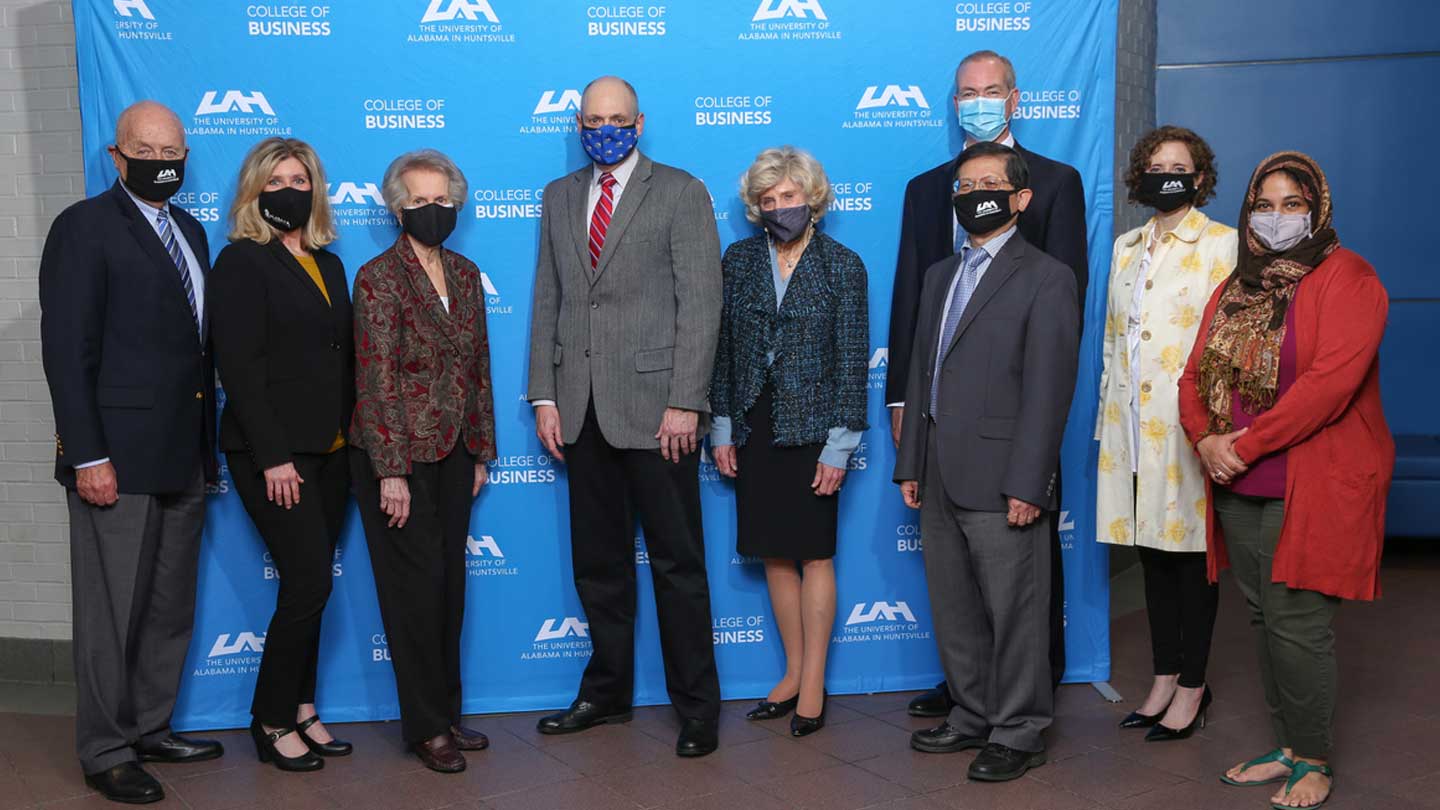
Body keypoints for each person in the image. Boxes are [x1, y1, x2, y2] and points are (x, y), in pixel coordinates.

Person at [1178, 152, 1392, 810]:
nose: (1276, 218)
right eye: (1264, 205)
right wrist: (1205, 439)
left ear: (1317, 209)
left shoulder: (1350, 278)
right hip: (1238, 482)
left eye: (1292, 205)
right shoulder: (1235, 284)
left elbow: (1329, 388)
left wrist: (1242, 446)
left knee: (1299, 625)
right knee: (1264, 617)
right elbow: (1193, 375)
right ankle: (1289, 747)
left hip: (1311, 482)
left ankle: (1315, 757)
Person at [527, 76, 724, 757]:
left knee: (677, 564)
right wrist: (544, 395)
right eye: (592, 119)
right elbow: (548, 297)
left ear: (640, 122)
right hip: (579, 411)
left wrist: (685, 402)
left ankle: (698, 708)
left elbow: (702, 304)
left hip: (658, 412)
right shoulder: (558, 198)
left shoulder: (680, 190)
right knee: (599, 564)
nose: (604, 129)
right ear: (578, 124)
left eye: (616, 118)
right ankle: (606, 693)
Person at [888, 50, 1086, 717]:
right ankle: (972, 712)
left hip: (1007, 456)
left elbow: (1052, 367)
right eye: (965, 190)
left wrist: (1032, 477)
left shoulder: (1049, 254)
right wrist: (910, 441)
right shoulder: (941, 260)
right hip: (941, 456)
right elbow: (918, 349)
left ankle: (1020, 724)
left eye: (990, 90)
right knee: (955, 602)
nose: (977, 197)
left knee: (1018, 601)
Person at [38, 100, 222, 804]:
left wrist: (208, 454)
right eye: (145, 149)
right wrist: (87, 456)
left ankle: (149, 727)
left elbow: (195, 354)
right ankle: (105, 748)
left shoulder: (194, 233)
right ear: (117, 157)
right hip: (115, 457)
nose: (161, 160)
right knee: (110, 613)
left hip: (183, 454)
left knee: (167, 606)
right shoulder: (83, 229)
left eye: (172, 149)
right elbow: (67, 351)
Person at [709, 147, 869, 737]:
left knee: (816, 552)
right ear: (756, 207)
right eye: (769, 200)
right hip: (754, 424)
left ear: (814, 200)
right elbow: (723, 350)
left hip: (815, 429)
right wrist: (721, 426)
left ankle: (815, 683)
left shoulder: (842, 265)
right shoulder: (739, 260)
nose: (780, 208)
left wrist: (841, 444)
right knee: (774, 552)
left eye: (790, 197)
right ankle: (792, 672)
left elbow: (854, 359)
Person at [349, 148, 497, 774]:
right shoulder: (377, 277)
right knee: (414, 594)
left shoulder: (465, 273)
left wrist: (482, 448)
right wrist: (390, 470)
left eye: (442, 201)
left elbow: (478, 367)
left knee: (449, 590)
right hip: (398, 457)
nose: (432, 211)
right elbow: (374, 378)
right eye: (419, 202)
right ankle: (424, 726)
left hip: (456, 452)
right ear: (395, 208)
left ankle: (448, 712)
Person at [209, 137, 354, 771]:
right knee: (308, 582)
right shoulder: (241, 261)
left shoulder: (330, 263)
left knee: (313, 587)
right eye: (275, 182)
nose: (289, 190)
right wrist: (272, 457)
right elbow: (237, 367)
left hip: (334, 451)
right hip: (274, 454)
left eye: (299, 179)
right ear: (255, 192)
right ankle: (269, 719)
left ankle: (302, 708)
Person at [1095, 127, 1236, 741]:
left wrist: (1216, 426)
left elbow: (1230, 345)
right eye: (1156, 165)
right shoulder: (1127, 244)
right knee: (1151, 555)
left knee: (1191, 559)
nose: (1167, 175)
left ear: (1200, 177)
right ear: (1140, 176)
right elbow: (1112, 339)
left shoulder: (1224, 244)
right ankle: (1162, 677)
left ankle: (1194, 685)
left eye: (1179, 166)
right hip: (1131, 427)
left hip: (1191, 428)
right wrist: (1109, 417)